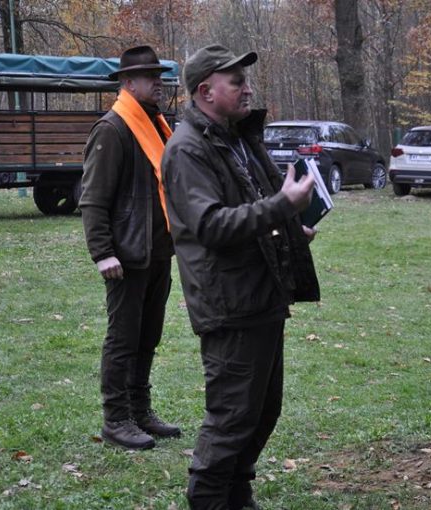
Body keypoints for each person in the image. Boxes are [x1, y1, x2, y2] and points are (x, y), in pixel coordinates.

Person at [161, 44, 320, 510]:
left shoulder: (234, 136)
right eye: (236, 81)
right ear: (206, 91)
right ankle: (208, 498)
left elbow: (249, 206)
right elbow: (210, 225)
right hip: (229, 303)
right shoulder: (188, 149)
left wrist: (291, 227)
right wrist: (282, 206)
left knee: (261, 412)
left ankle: (236, 496)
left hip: (261, 294)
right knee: (232, 418)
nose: (247, 87)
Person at [79, 45, 181, 450]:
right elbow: (93, 198)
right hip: (125, 256)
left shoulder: (156, 124)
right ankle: (116, 419)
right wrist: (103, 252)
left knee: (148, 335)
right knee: (123, 339)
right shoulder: (114, 128)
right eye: (149, 76)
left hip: (157, 252)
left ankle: (140, 410)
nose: (158, 82)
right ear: (127, 83)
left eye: (159, 75)